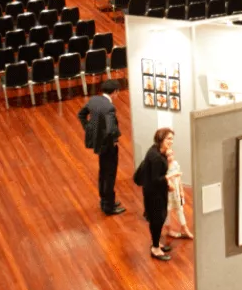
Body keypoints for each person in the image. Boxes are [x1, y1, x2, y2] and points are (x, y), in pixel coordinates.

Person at [78, 80, 125, 216]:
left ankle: (105, 201)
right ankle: (109, 206)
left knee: (103, 173)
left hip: (99, 143)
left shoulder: (94, 100)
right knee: (110, 175)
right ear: (115, 92)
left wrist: (89, 129)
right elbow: (111, 129)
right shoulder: (110, 108)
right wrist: (114, 140)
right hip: (108, 146)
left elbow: (81, 114)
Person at [135, 128, 177, 261]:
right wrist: (170, 177)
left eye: (172, 138)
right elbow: (156, 179)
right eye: (168, 139)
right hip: (154, 193)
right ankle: (155, 249)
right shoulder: (156, 157)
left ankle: (157, 242)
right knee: (157, 219)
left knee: (158, 218)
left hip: (156, 191)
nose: (171, 141)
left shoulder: (157, 150)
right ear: (161, 139)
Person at [164, 148, 194, 241]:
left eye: (171, 154)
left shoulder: (176, 164)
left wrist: (181, 191)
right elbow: (164, 178)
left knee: (179, 209)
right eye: (168, 155)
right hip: (168, 191)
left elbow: (179, 179)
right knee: (167, 211)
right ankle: (169, 229)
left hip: (176, 190)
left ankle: (185, 228)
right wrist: (173, 176)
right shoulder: (163, 167)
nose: (170, 157)